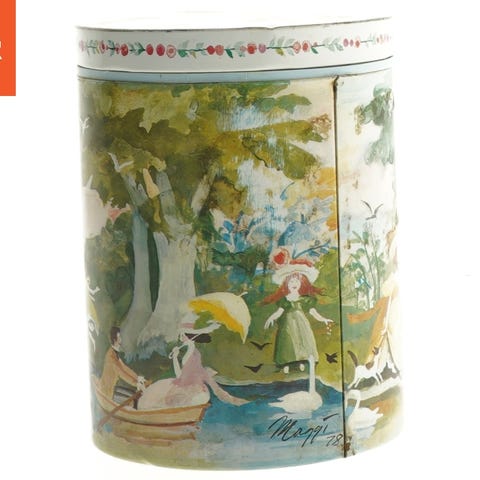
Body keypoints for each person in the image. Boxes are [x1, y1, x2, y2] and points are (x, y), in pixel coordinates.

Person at [138, 323, 248, 409]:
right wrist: (176, 356)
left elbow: (180, 375)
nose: (180, 337)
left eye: (182, 335)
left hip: (191, 391)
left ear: (188, 337)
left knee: (158, 397)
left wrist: (175, 358)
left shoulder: (190, 354)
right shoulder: (194, 352)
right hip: (196, 389)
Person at [263, 256, 333, 374]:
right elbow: (279, 311)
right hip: (288, 325)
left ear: (301, 283)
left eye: (297, 281)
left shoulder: (305, 299)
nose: (294, 283)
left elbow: (312, 311)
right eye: (291, 281)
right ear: (286, 283)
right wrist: (271, 317)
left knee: (302, 341)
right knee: (288, 342)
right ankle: (286, 363)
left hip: (302, 324)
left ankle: (301, 361)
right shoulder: (285, 299)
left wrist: (323, 319)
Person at [99, 326, 148, 400]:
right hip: (108, 391)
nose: (121, 339)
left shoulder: (114, 353)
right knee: (134, 400)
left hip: (113, 387)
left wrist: (138, 378)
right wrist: (136, 384)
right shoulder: (110, 357)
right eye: (119, 337)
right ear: (115, 340)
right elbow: (122, 373)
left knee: (135, 396)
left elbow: (125, 368)